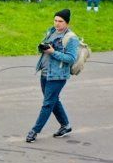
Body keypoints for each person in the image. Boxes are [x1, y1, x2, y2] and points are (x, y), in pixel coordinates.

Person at [26, 8, 79, 143]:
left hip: (58, 75)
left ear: (67, 22)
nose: (57, 23)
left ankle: (34, 131)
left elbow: (71, 58)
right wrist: (42, 47)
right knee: (53, 100)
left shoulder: (71, 38)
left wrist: (53, 51)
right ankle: (65, 125)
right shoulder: (51, 31)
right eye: (55, 20)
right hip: (45, 72)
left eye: (60, 21)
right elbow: (45, 50)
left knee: (48, 103)